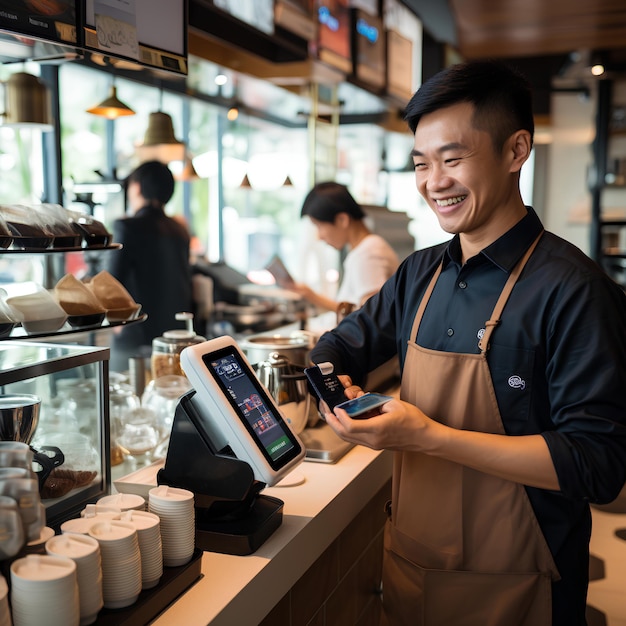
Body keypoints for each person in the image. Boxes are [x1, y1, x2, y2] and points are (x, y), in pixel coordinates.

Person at [309, 60, 626, 626]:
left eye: (453, 159)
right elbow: (333, 350)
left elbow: (596, 465)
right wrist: (341, 399)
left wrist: (429, 437)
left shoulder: (574, 288)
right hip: (415, 564)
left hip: (525, 583)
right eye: (422, 163)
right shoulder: (418, 273)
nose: (435, 182)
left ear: (515, 151)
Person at [106, 160, 192, 371]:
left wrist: (114, 323)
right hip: (176, 337)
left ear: (136, 187)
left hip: (137, 339)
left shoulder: (127, 226)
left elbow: (110, 282)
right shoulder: (179, 229)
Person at [290, 181, 399, 312]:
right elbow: (357, 311)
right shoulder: (365, 249)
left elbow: (370, 318)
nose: (319, 236)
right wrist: (309, 295)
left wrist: (312, 296)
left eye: (319, 226)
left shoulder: (367, 254)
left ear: (342, 220)